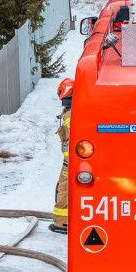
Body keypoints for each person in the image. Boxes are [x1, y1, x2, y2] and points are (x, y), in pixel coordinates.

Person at [50, 78, 74, 234]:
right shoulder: (72, 113)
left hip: (71, 161)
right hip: (73, 159)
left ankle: (62, 223)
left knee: (63, 189)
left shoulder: (70, 116)